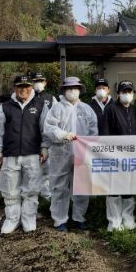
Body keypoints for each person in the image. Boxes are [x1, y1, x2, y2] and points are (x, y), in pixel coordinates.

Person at [0, 75, 49, 234]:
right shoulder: (4, 108)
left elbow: (45, 129)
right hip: (11, 155)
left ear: (31, 87)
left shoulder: (40, 106)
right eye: (20, 87)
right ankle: (12, 219)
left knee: (31, 190)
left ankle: (29, 219)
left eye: (26, 87)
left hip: (32, 154)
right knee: (10, 190)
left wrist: (44, 147)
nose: (23, 90)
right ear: (14, 88)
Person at [44, 77, 98, 231]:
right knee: (59, 187)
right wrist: (63, 134)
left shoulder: (87, 109)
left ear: (80, 90)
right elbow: (49, 127)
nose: (72, 91)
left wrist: (90, 149)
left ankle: (79, 218)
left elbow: (93, 132)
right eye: (69, 89)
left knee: (82, 186)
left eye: (75, 88)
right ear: (64, 91)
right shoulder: (56, 108)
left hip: (82, 154)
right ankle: (59, 220)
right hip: (61, 152)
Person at [102, 80, 136, 231]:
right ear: (118, 94)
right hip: (115, 156)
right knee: (114, 189)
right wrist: (109, 154)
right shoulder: (111, 109)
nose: (127, 94)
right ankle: (114, 222)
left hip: (131, 156)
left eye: (129, 91)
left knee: (128, 188)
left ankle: (128, 220)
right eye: (124, 91)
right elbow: (105, 133)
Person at [30, 71, 56, 199]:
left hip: (47, 140)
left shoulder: (51, 98)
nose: (38, 83)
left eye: (40, 81)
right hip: (30, 140)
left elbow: (56, 119)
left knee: (47, 169)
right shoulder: (28, 97)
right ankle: (32, 195)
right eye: (35, 81)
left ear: (45, 82)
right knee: (31, 170)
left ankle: (46, 196)